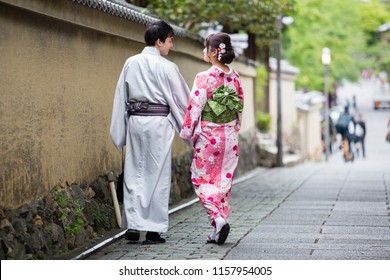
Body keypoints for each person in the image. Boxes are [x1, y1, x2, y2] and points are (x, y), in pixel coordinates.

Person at [110, 20, 190, 243]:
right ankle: (153, 230)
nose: (171, 46)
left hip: (136, 121)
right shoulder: (168, 67)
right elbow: (184, 101)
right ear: (159, 41)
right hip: (159, 123)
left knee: (135, 172)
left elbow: (121, 95)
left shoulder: (131, 62)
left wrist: (121, 127)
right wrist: (192, 126)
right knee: (157, 173)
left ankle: (134, 227)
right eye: (170, 41)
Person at [180, 33, 244, 245]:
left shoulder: (204, 77)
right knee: (223, 183)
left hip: (209, 137)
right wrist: (234, 129)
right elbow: (239, 108)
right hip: (230, 137)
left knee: (201, 179)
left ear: (215, 52)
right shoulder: (235, 77)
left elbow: (194, 108)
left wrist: (187, 133)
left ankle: (217, 219)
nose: (203, 52)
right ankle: (218, 228)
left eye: (206, 48)